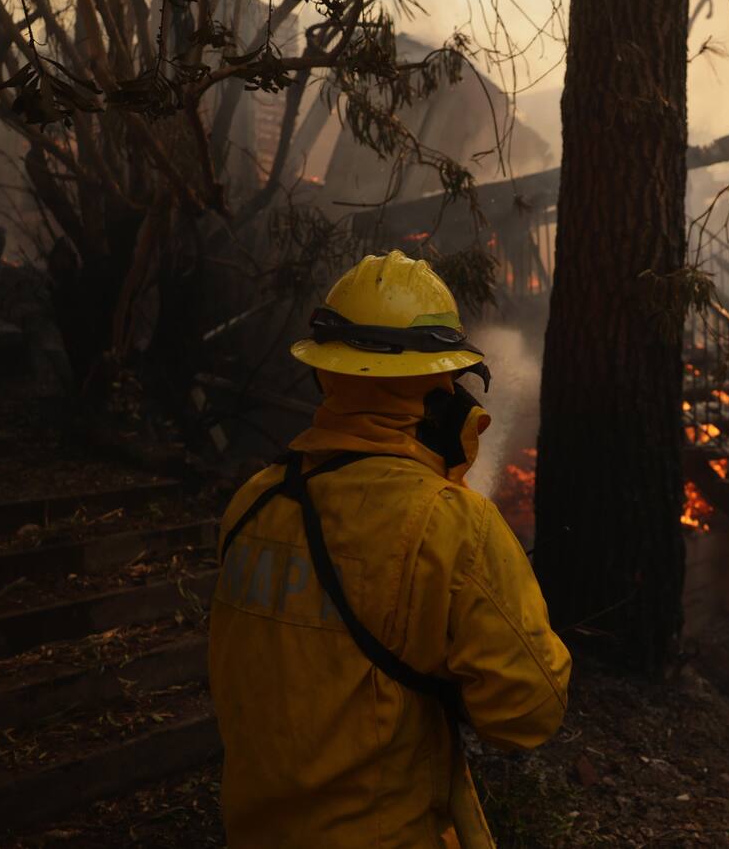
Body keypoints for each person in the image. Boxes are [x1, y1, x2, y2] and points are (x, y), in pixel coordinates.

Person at [208, 251, 571, 848]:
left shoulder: (254, 503)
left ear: (326, 374)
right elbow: (529, 710)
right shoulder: (453, 525)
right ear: (439, 388)